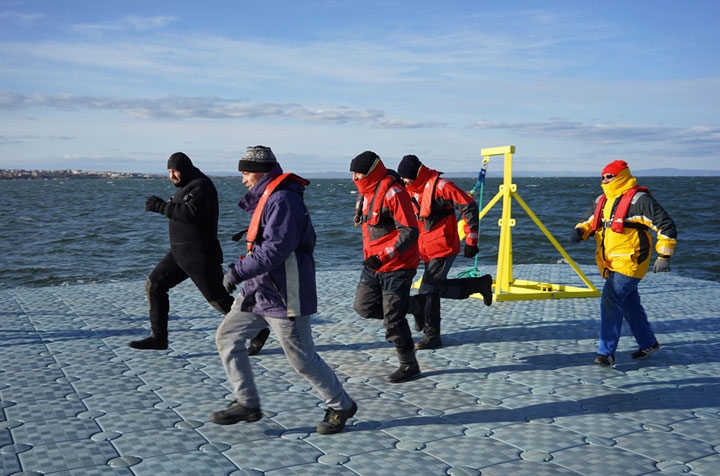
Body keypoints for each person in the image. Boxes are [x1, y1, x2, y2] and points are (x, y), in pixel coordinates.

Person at [212, 146, 356, 435]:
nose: (242, 180)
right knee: (227, 338)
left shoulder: (284, 200)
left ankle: (341, 405)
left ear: (261, 171)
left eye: (245, 173)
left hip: (284, 294)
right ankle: (247, 402)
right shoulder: (269, 197)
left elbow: (275, 250)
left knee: (302, 359)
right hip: (258, 291)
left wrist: (236, 273)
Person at [129, 152, 269, 356]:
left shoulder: (202, 186)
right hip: (178, 253)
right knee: (154, 285)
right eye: (169, 171)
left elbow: (191, 214)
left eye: (174, 170)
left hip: (200, 254)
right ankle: (158, 337)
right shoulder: (186, 187)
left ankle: (258, 329)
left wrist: (160, 206)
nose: (172, 175)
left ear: (185, 168)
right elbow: (181, 210)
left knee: (218, 299)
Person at [571, 160, 677, 367]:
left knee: (610, 301)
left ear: (621, 176)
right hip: (610, 262)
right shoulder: (602, 199)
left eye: (609, 176)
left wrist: (664, 257)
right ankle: (648, 343)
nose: (604, 180)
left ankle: (606, 353)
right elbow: (588, 220)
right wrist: (580, 231)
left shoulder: (639, 200)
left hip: (631, 262)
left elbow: (666, 226)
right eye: (602, 176)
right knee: (630, 304)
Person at [397, 155, 493, 350]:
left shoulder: (441, 186)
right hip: (426, 247)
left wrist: (471, 240)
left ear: (415, 174)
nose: (404, 181)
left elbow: (469, 206)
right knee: (435, 288)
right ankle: (479, 284)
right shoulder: (410, 189)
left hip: (443, 246)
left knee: (427, 290)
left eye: (406, 178)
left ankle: (432, 335)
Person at [350, 151, 422, 383]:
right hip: (373, 263)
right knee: (363, 307)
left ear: (371, 171)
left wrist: (384, 256)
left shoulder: (394, 192)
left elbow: (410, 231)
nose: (354, 176)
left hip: (397, 265)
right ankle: (415, 305)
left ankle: (409, 366)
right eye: (352, 172)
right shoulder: (365, 194)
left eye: (358, 172)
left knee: (393, 321)